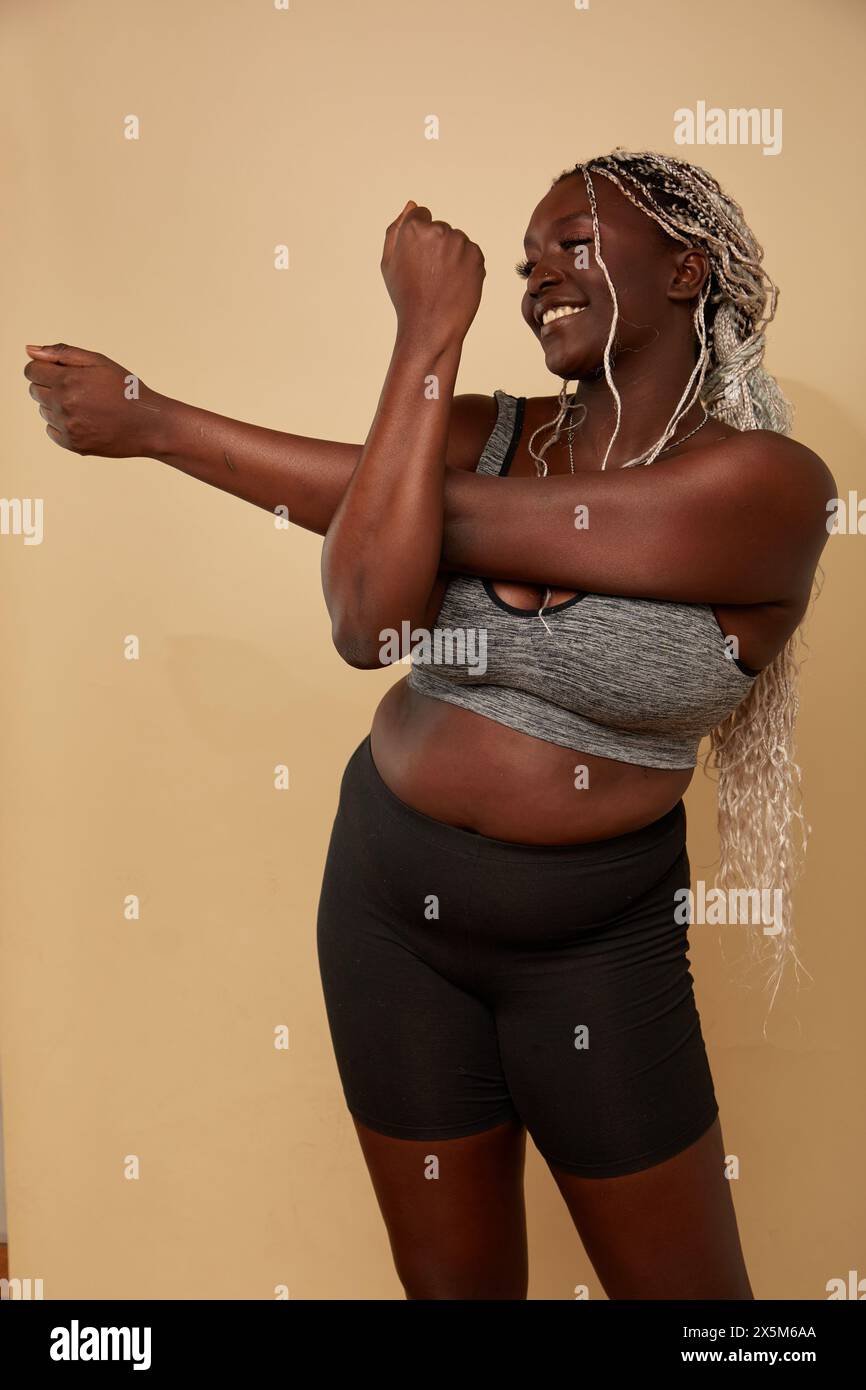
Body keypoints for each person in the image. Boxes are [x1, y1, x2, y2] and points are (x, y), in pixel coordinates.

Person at [24, 149, 835, 1300]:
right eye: (520, 262)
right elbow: (367, 624)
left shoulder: (768, 486)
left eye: (573, 244)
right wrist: (425, 340)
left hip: (592, 946)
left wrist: (166, 425)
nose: (536, 274)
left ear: (684, 268)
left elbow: (471, 518)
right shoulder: (469, 429)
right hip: (385, 913)